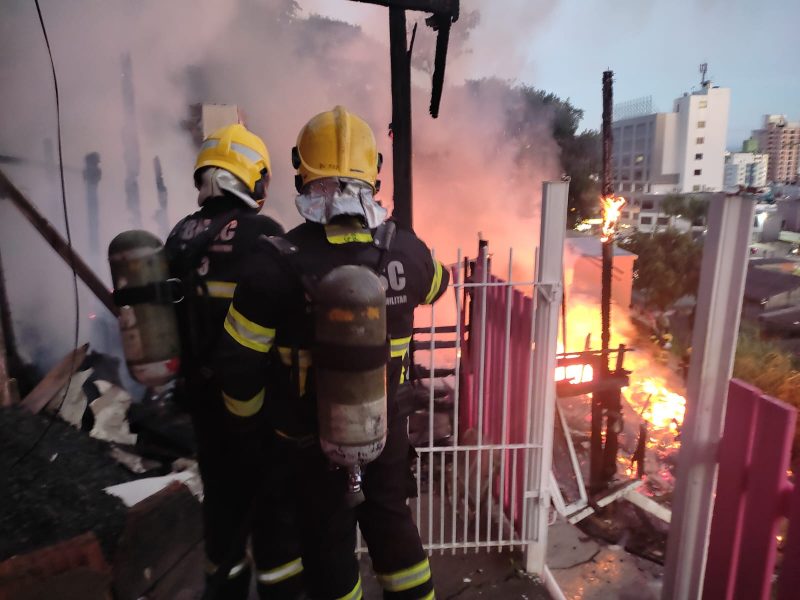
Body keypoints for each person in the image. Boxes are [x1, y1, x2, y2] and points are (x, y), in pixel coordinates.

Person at [215, 106, 449, 600]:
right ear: (374, 173)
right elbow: (440, 284)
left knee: (328, 549)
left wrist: (247, 428)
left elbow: (238, 365)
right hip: (385, 437)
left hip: (306, 443)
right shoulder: (408, 252)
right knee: (394, 530)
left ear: (302, 170)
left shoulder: (275, 262)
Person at [165, 123, 304, 600]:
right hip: (255, 408)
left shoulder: (180, 236)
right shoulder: (260, 235)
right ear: (255, 180)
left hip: (201, 404)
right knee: (274, 521)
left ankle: (221, 588)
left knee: (221, 515)